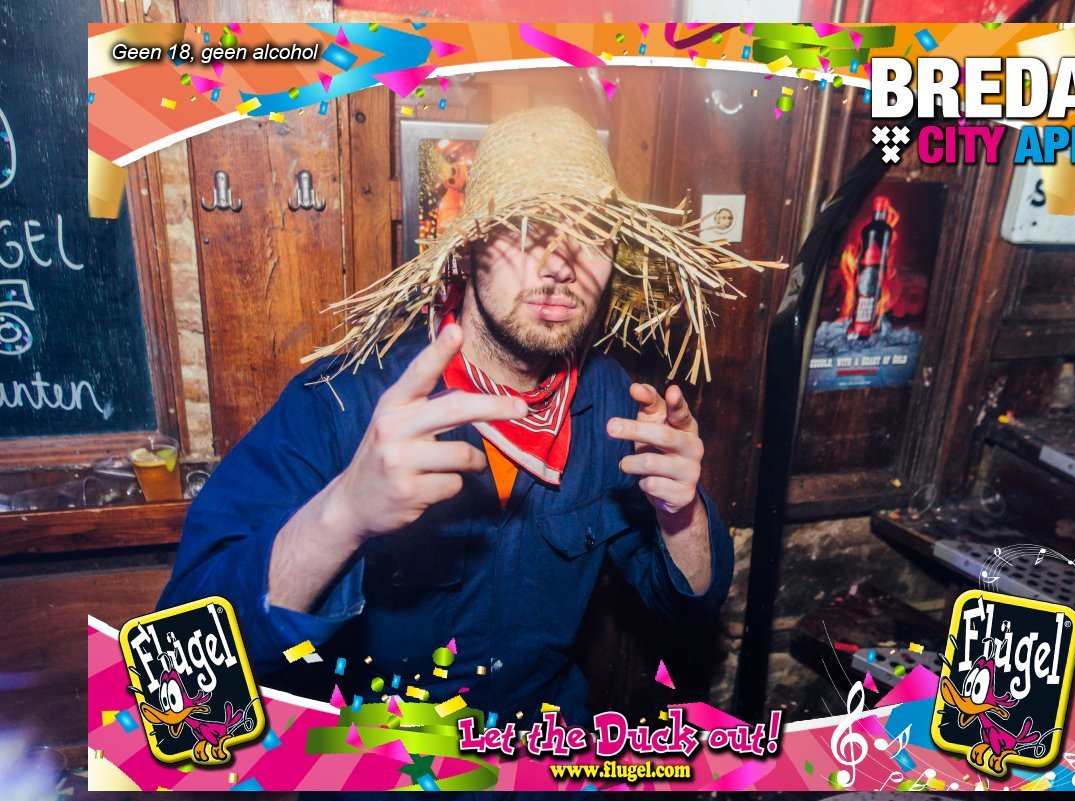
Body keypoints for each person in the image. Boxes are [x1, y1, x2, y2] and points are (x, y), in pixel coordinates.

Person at [159, 106, 776, 727]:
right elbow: (182, 682)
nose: (560, 263)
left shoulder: (615, 401)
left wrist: (682, 516)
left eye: (591, 232)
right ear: (468, 247)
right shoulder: (343, 400)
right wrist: (342, 513)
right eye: (527, 228)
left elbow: (687, 604)